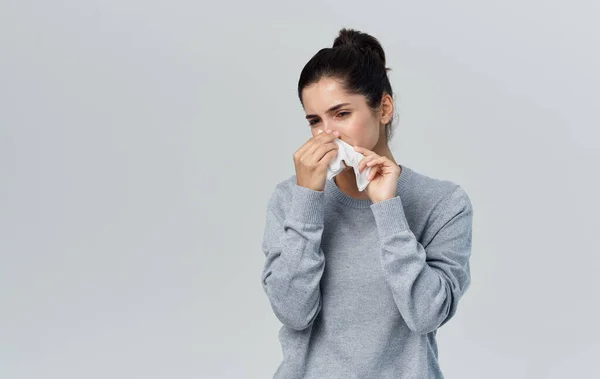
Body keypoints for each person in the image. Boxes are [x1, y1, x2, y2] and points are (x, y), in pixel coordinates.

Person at [260, 27, 474, 379]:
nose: (326, 134)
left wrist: (388, 209)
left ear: (384, 108)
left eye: (341, 114)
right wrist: (308, 200)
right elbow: (293, 312)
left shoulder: (443, 203)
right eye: (315, 121)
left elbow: (426, 316)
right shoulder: (291, 198)